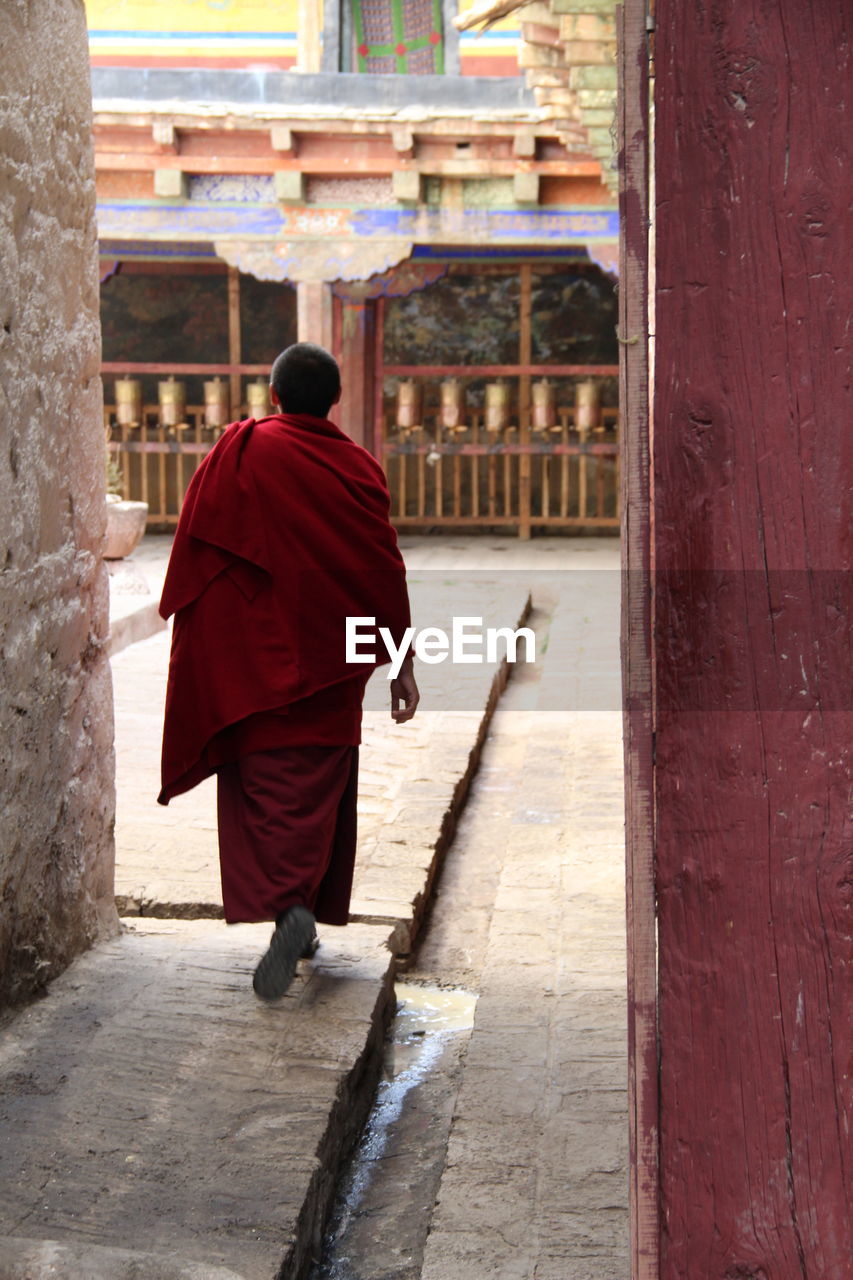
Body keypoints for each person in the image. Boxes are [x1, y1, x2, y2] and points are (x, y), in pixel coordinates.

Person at [157, 342, 419, 1000]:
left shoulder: (241, 449)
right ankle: (298, 909)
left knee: (263, 785)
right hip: (331, 660)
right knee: (318, 788)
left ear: (272, 396)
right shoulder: (357, 466)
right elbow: (382, 569)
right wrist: (400, 660)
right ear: (333, 401)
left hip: (254, 657)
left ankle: (285, 909)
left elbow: (200, 553)